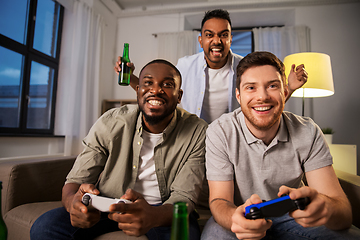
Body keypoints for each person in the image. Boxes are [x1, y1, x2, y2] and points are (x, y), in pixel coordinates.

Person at [30, 59, 208, 240]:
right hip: (108, 204)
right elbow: (75, 182)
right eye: (147, 83)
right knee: (44, 227)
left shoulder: (197, 131)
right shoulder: (111, 121)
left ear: (179, 96)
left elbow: (184, 197)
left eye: (168, 84)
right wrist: (73, 203)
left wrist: (153, 216)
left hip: (163, 210)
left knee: (186, 236)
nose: (155, 90)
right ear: (138, 90)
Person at [201, 51, 360, 239]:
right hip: (240, 213)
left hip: (292, 216)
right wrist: (235, 219)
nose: (262, 97)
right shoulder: (219, 131)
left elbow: (342, 211)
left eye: (272, 86)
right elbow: (220, 200)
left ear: (285, 91)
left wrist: (325, 207)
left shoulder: (308, 131)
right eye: (251, 87)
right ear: (238, 95)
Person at [114, 9, 308, 123]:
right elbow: (160, 93)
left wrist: (289, 87)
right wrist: (130, 77)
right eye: (210, 35)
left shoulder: (246, 67)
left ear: (231, 39)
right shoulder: (185, 65)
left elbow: (264, 103)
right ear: (201, 40)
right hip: (192, 138)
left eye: (223, 35)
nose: (217, 41)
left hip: (233, 138)